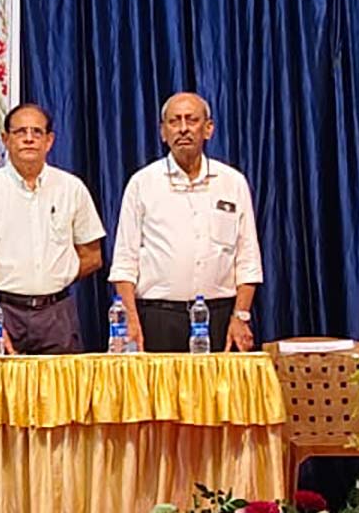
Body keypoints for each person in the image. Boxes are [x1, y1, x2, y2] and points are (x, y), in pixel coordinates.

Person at [108, 92, 264, 352]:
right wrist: (131, 320)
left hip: (219, 316)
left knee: (218, 394)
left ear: (208, 129)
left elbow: (247, 259)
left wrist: (241, 316)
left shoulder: (232, 182)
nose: (182, 129)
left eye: (191, 120)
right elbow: (125, 261)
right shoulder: (142, 183)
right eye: (174, 121)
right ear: (162, 132)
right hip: (157, 318)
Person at [0, 103, 105, 354]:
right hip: (3, 311)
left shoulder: (71, 188)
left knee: (61, 393)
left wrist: (54, 274)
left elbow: (93, 257)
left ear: (49, 140)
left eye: (37, 132)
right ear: (6, 139)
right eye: (21, 132)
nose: (29, 139)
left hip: (57, 314)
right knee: (0, 393)